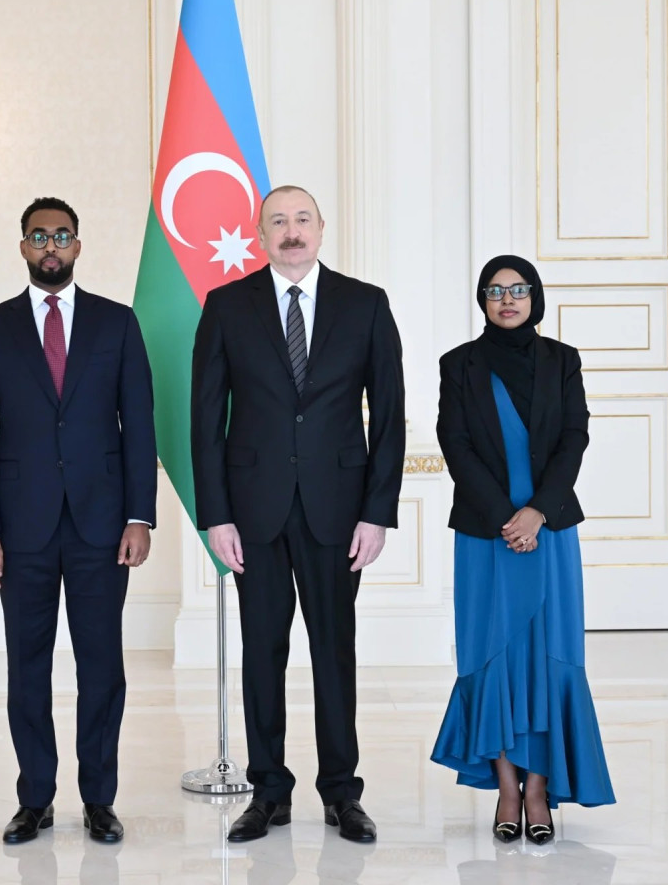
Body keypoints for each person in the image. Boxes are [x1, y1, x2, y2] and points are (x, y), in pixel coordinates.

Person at [191, 185, 405, 844]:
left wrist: (377, 513)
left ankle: (341, 794)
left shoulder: (366, 304)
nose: (291, 230)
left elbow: (390, 417)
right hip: (252, 512)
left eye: (302, 219)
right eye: (278, 221)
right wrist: (216, 515)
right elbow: (205, 419)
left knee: (334, 652)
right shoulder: (227, 306)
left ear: (321, 228)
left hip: (339, 512)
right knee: (262, 652)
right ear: (260, 234)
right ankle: (269, 793)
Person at [0, 197, 157, 845]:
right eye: (39, 236)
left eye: (62, 235)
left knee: (102, 668)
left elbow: (139, 425)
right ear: (23, 247)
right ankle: (35, 799)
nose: (51, 246)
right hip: (21, 531)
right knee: (27, 669)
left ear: (78, 245)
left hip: (104, 526)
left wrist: (139, 516)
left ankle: (99, 799)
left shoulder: (117, 323)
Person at [431, 254, 615, 845]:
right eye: (494, 291)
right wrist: (506, 518)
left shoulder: (563, 360)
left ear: (535, 296)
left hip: (550, 528)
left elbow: (574, 436)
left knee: (548, 655)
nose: (507, 300)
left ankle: (539, 790)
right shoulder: (458, 364)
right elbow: (455, 444)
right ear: (481, 301)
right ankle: (507, 789)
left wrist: (537, 512)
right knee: (493, 655)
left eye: (517, 289)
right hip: (486, 533)